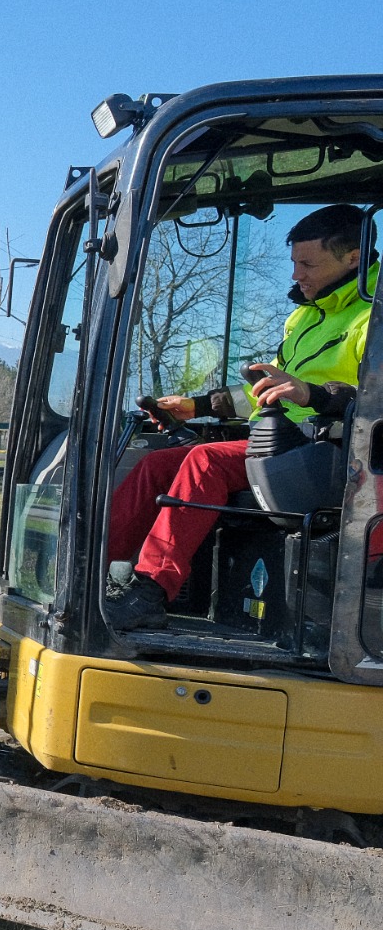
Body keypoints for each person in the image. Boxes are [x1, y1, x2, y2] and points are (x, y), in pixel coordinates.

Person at [105, 204, 371, 631]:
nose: (295, 275)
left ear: (353, 258)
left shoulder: (372, 316)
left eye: (307, 264)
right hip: (281, 444)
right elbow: (264, 389)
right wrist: (198, 406)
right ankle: (90, 571)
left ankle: (151, 591)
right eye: (293, 263)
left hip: (336, 452)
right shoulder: (304, 316)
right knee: (157, 464)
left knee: (204, 461)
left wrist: (316, 394)